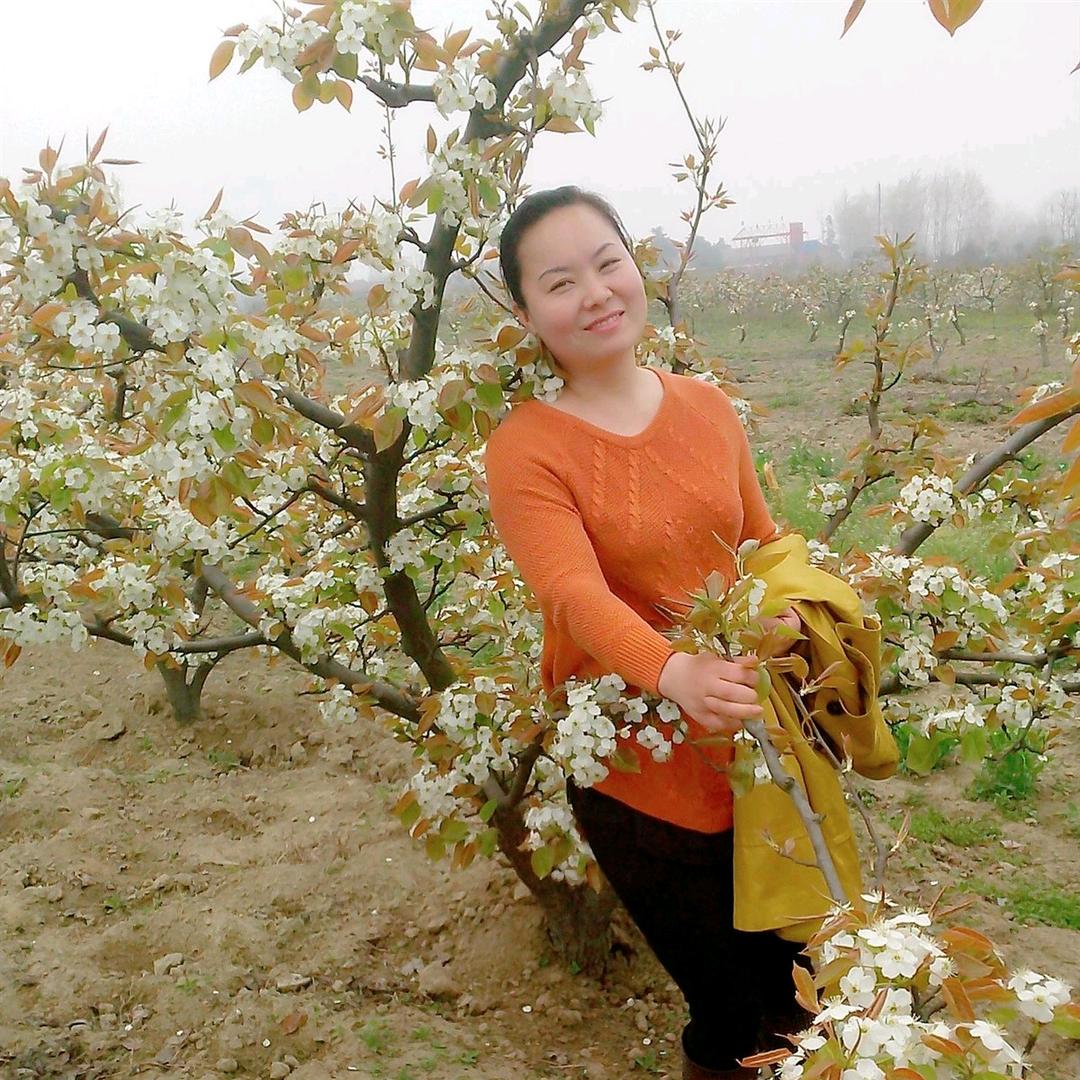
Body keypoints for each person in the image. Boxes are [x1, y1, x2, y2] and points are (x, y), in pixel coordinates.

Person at [482, 186, 810, 1080]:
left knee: (802, 996)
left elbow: (761, 539)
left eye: (608, 263)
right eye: (559, 282)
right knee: (733, 1019)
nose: (594, 293)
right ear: (527, 313)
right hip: (640, 777)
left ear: (637, 268)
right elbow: (570, 592)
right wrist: (671, 671)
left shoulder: (706, 407)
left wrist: (795, 608)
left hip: (758, 749)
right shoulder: (525, 448)